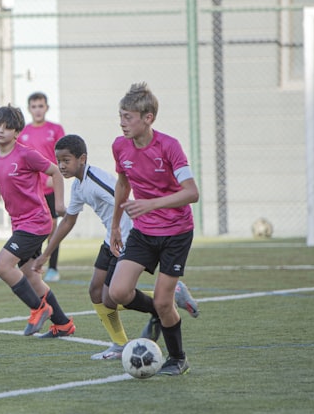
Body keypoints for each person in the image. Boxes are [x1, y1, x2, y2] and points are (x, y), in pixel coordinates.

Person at [34, 134, 200, 360]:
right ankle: (120, 343)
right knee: (95, 290)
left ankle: (169, 298)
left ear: (82, 159)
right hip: (111, 237)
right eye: (59, 161)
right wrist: (45, 254)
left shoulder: (96, 179)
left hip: (127, 236)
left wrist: (120, 230)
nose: (61, 166)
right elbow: (68, 221)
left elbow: (123, 199)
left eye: (66, 160)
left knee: (111, 297)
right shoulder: (78, 187)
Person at [0, 104, 75, 339]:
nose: (0, 130)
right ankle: (63, 324)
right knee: (31, 275)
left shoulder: (26, 154)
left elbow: (55, 171)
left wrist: (60, 204)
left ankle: (39, 308)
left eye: (7, 127)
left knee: (2, 266)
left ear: (16, 132)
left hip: (37, 221)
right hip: (20, 224)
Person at [107, 82, 199, 376]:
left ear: (148, 118)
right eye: (120, 116)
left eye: (128, 117)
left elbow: (191, 192)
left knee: (163, 300)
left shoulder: (169, 146)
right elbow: (123, 183)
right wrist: (115, 227)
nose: (122, 123)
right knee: (118, 292)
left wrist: (150, 205)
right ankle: (160, 311)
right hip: (143, 232)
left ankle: (178, 358)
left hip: (176, 232)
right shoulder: (120, 146)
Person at [20, 92, 66, 283]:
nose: (38, 110)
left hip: (49, 187)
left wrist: (55, 176)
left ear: (46, 107)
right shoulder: (23, 133)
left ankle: (53, 268)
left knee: (52, 227)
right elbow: (18, 159)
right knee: (34, 226)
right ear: (29, 109)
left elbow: (64, 156)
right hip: (31, 189)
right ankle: (34, 264)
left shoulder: (55, 130)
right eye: (34, 106)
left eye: (41, 106)